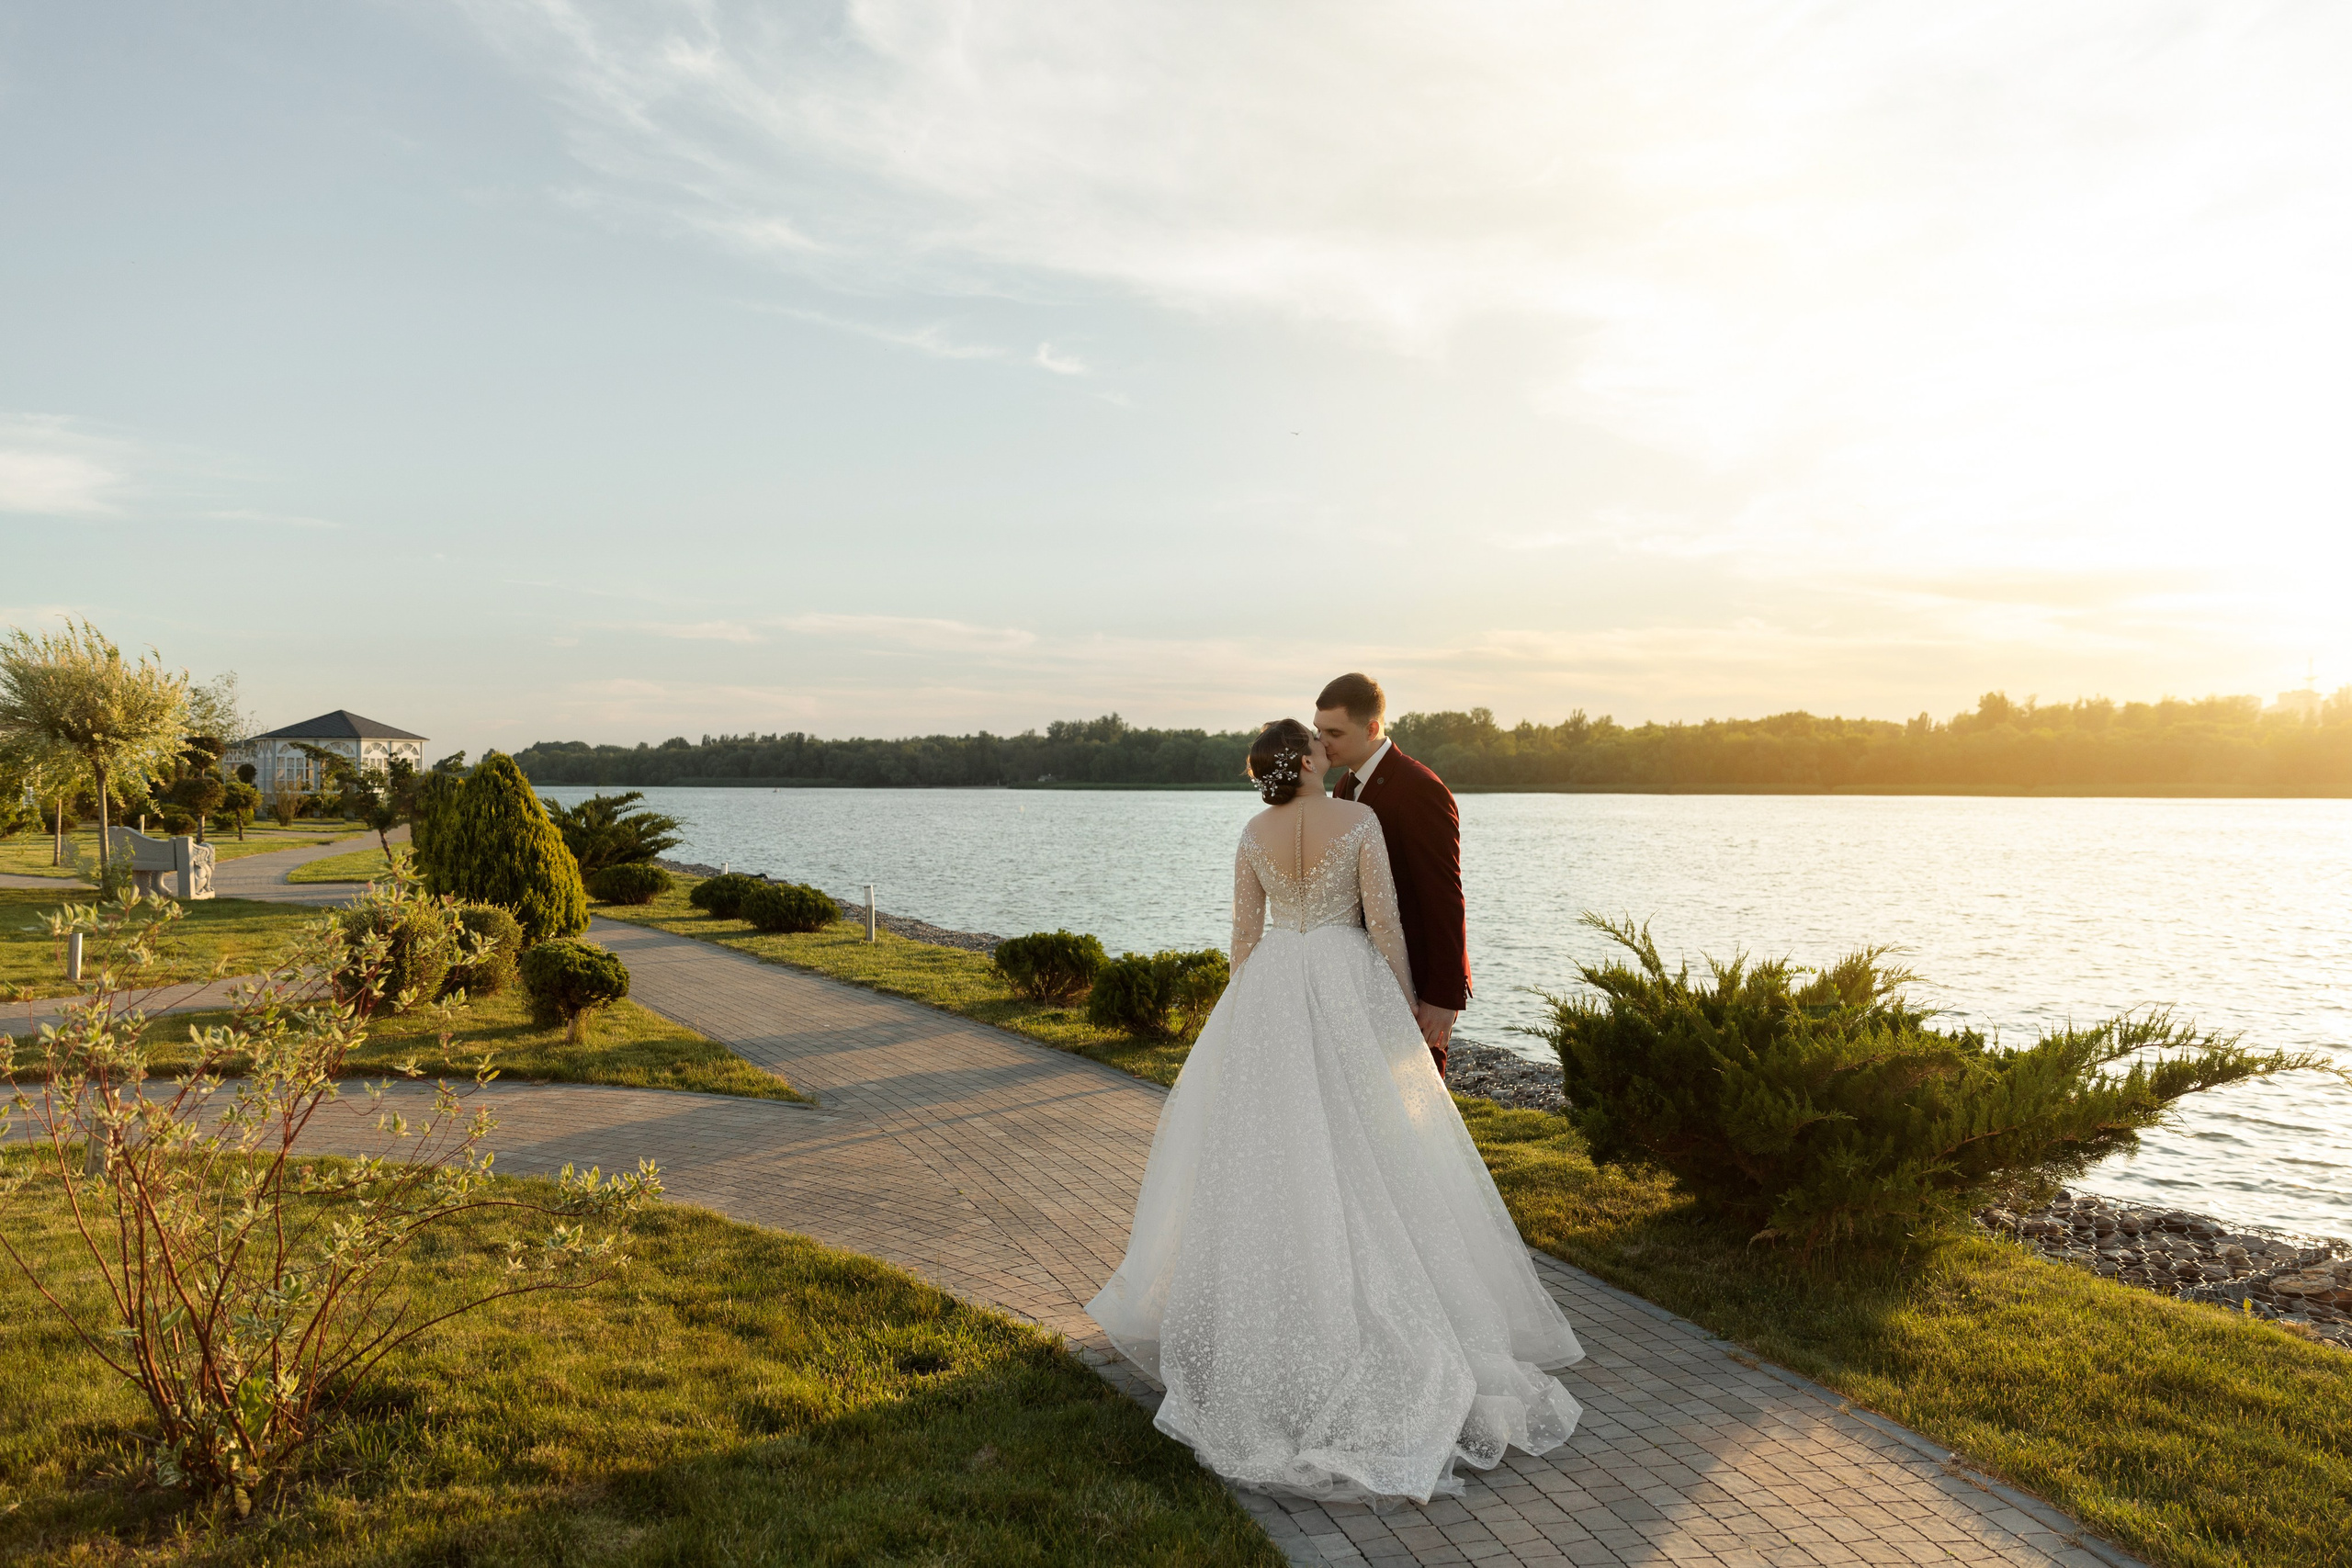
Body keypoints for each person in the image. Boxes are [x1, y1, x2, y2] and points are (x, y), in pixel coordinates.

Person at [1085, 717, 1583, 1506]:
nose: (1327, 750)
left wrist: (1241, 1020)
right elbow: (1383, 923)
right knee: (1373, 1145)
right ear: (1311, 761)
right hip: (1347, 983)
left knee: (1277, 1151)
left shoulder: (1252, 830)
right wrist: (1400, 1012)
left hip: (1275, 986)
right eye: (1318, 745)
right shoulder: (1360, 820)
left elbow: (1243, 941)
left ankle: (1280, 1305)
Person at [1315, 672, 1467, 1077]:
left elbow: (1444, 897)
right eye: (1318, 730)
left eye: (1333, 731)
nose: (1322, 741)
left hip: (1417, 979)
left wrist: (1443, 997)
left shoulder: (1420, 788)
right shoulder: (1345, 786)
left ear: (1372, 728)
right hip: (1364, 972)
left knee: (1419, 1099)